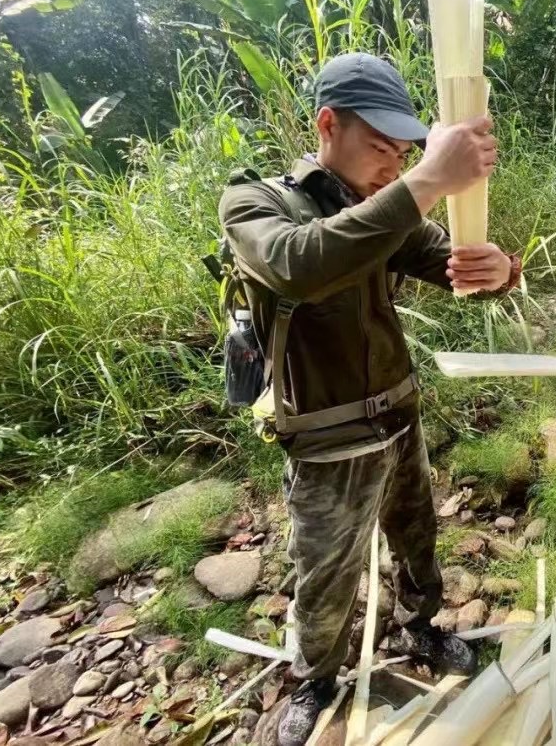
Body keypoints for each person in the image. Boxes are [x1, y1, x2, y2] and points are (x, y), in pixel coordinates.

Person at [219, 53, 521, 746]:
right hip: (326, 440)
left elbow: (455, 268)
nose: (394, 162)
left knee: (417, 542)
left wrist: (500, 270)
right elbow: (301, 265)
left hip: (398, 413)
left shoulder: (385, 212)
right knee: (325, 573)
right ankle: (316, 677)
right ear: (328, 124)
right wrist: (426, 179)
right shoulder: (256, 203)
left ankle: (421, 628)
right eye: (381, 147)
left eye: (406, 150)